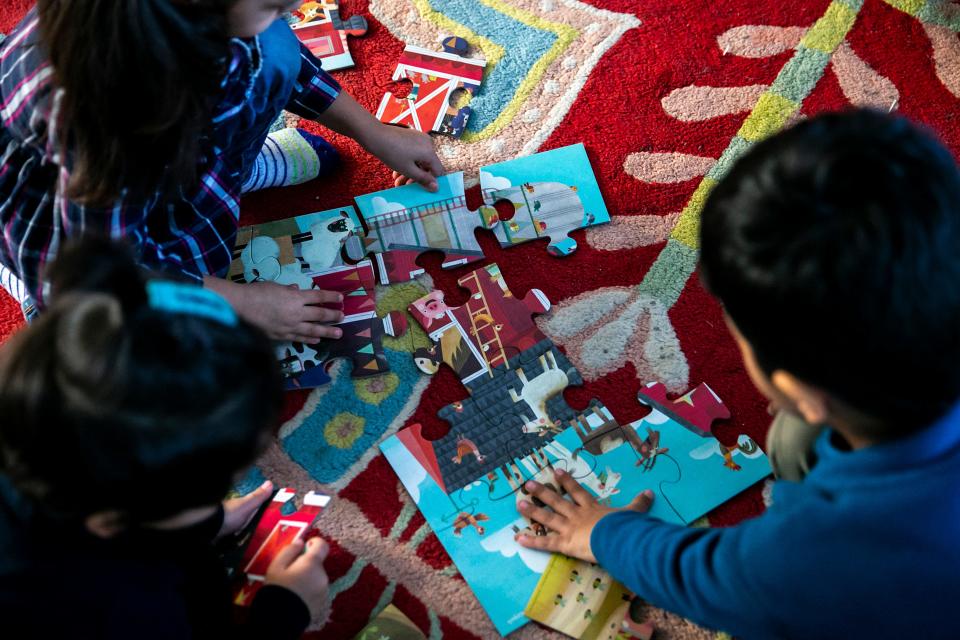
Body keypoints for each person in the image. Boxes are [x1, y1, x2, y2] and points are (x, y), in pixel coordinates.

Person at [515, 110, 960, 638]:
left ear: (798, 387)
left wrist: (604, 533)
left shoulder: (805, 562)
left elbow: (703, 574)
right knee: (795, 440)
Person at [0, 0, 443, 341]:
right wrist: (243, 304)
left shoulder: (222, 20)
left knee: (273, 48)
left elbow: (289, 61)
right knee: (136, 337)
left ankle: (224, 173)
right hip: (75, 235)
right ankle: (31, 287)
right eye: (273, 6)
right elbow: (107, 269)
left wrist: (372, 131)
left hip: (176, 157)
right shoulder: (105, 122)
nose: (292, 10)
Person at [0, 237, 330, 638]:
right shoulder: (130, 612)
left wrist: (203, 521)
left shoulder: (46, 444)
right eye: (216, 486)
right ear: (123, 516)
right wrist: (284, 609)